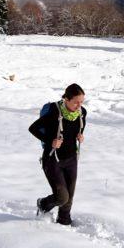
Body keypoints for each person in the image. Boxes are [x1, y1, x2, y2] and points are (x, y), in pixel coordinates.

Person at [29, 83, 86, 225]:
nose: (79, 106)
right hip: (52, 159)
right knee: (62, 197)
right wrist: (50, 141)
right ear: (66, 99)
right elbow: (33, 128)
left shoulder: (82, 112)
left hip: (71, 158)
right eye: (76, 102)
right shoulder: (54, 112)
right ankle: (43, 204)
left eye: (81, 102)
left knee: (69, 197)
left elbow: (79, 127)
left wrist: (80, 136)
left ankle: (64, 222)